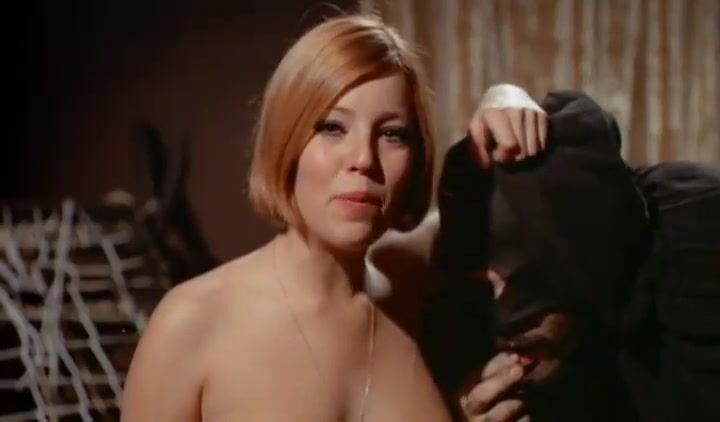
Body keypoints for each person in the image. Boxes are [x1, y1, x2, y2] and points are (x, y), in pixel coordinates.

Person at [120, 14, 547, 421]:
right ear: (286, 138)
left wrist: (504, 98)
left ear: (416, 158)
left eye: (392, 134)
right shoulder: (192, 323)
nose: (363, 159)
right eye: (332, 128)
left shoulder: (409, 280)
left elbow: (478, 203)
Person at [417, 91, 720, 421]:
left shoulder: (692, 242)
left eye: (522, 274)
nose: (504, 310)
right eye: (481, 282)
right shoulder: (455, 336)